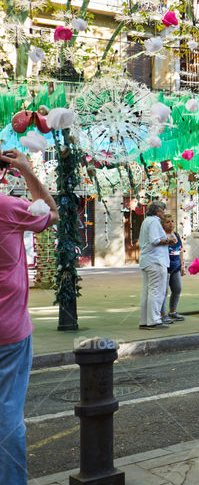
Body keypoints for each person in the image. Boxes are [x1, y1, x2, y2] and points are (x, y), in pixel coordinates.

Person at [0, 149, 58, 485]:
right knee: (7, 411)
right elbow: (53, 213)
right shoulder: (7, 208)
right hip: (9, 330)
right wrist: (26, 170)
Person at [139, 202, 175, 329]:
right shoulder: (154, 222)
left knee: (146, 292)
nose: (164, 212)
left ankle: (145, 320)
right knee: (156, 292)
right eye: (163, 210)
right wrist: (168, 240)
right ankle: (154, 320)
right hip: (156, 261)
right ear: (157, 211)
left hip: (147, 260)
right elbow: (155, 240)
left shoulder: (146, 221)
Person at [162, 216, 185, 321]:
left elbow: (180, 251)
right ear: (162, 224)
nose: (170, 224)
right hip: (165, 266)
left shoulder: (176, 235)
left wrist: (182, 265)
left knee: (177, 289)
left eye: (172, 221)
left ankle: (173, 311)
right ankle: (162, 314)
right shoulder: (162, 236)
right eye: (167, 222)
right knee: (164, 291)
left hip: (176, 267)